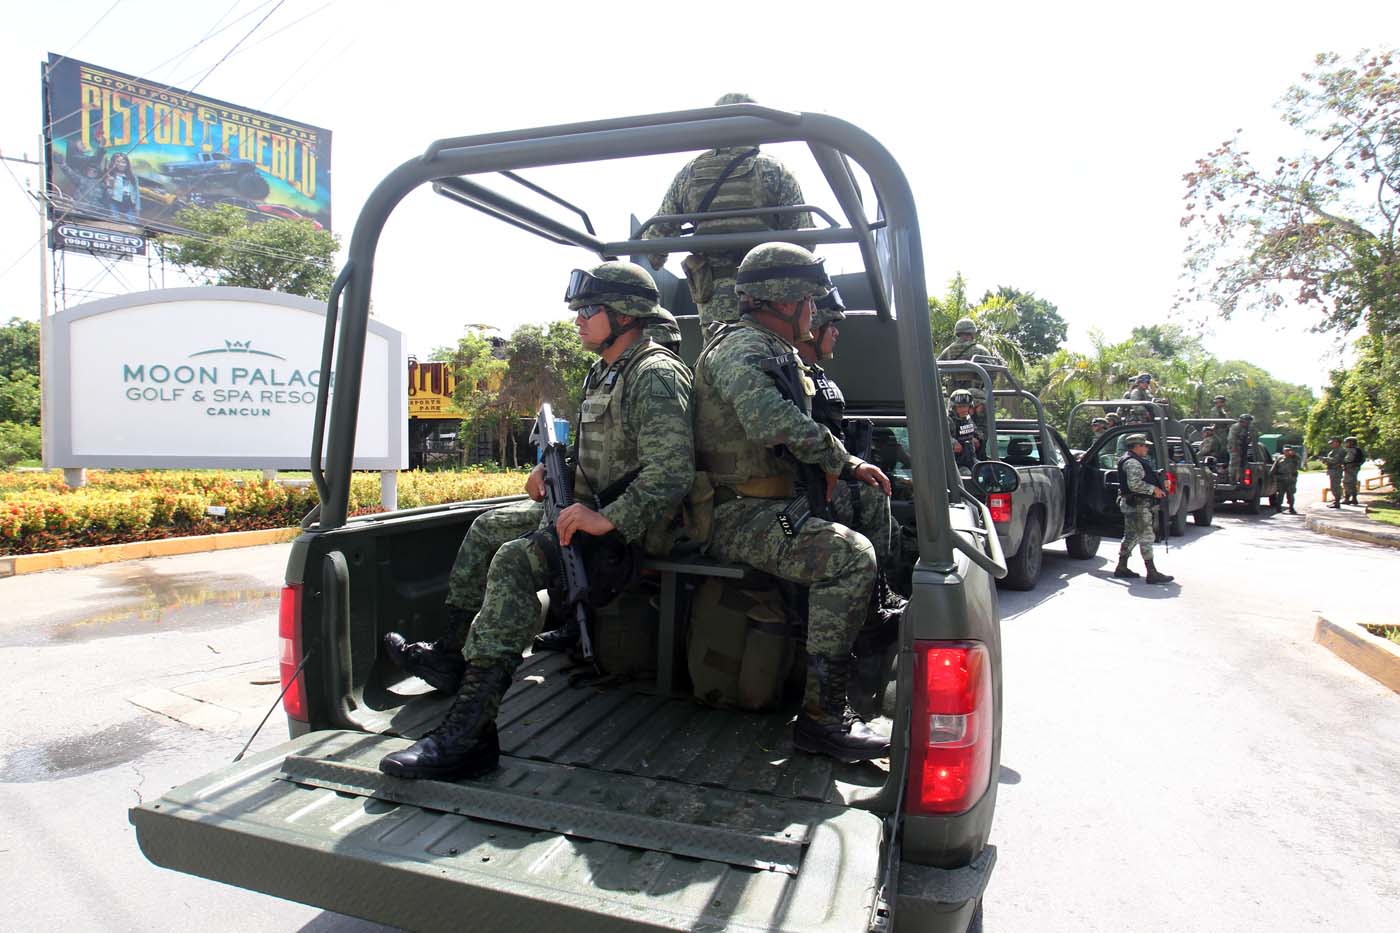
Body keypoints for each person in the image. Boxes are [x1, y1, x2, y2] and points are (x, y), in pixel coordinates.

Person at [377, 262, 695, 781]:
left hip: (631, 531)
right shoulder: (608, 369)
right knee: (487, 529)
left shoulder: (654, 372)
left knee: (515, 560)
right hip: (587, 513)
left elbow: (672, 473)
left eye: (589, 310)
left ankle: (470, 735)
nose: (578, 320)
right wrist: (551, 472)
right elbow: (600, 454)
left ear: (625, 315)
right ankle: (454, 657)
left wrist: (606, 520)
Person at [692, 241, 891, 762]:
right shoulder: (742, 347)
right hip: (734, 515)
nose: (813, 309)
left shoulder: (770, 348)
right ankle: (823, 719)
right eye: (808, 299)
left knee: (863, 508)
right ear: (784, 301)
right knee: (850, 558)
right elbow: (769, 421)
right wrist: (837, 458)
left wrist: (845, 469)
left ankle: (863, 631)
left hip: (773, 507)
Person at [641, 93, 813, 334]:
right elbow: (805, 242)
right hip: (769, 299)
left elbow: (655, 244)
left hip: (713, 302)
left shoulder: (688, 175)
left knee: (716, 361)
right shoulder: (773, 169)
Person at [795, 287, 906, 642]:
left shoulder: (816, 376)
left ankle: (880, 587)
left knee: (881, 488)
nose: (837, 333)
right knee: (874, 496)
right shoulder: (793, 374)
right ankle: (874, 604)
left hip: (822, 474)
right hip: (799, 485)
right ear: (814, 327)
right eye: (832, 325)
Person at [1113, 433, 1174, 584]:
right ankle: (1152, 573)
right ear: (1137, 446)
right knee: (1146, 537)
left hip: (1133, 504)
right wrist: (1154, 490)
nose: (1147, 448)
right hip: (1138, 506)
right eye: (1145, 445)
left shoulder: (1131, 459)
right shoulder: (1132, 462)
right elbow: (1134, 484)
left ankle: (1121, 567)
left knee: (1131, 536)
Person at [948, 389, 981, 469]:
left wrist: (974, 439)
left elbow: (976, 433)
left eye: (966, 406)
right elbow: (940, 437)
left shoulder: (968, 419)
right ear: (953, 408)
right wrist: (953, 443)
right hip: (955, 464)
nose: (964, 409)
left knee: (988, 470)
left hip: (971, 459)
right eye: (960, 407)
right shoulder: (948, 420)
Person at [104, 152, 141, 222]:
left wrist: (137, 208)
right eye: (118, 162)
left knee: (134, 223)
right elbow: (108, 194)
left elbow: (137, 193)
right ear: (113, 163)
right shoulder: (110, 175)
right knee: (115, 221)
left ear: (127, 164)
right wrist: (109, 185)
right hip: (115, 202)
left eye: (123, 162)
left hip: (129, 204)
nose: (121, 164)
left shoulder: (133, 177)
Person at [1227, 413, 1255, 485]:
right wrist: (1234, 449)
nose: (1249, 423)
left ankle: (1241, 480)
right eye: (1248, 421)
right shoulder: (1236, 427)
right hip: (1235, 449)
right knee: (1234, 464)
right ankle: (1232, 480)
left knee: (1243, 465)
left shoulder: (1246, 428)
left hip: (1243, 448)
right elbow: (1232, 439)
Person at [1273, 447, 1300, 514]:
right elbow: (1274, 467)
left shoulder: (1294, 458)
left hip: (1290, 479)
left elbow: (1299, 462)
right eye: (1285, 451)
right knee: (1280, 494)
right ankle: (1278, 507)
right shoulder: (1280, 458)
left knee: (1290, 494)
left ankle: (1291, 508)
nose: (1287, 452)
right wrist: (1272, 474)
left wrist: (1294, 455)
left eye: (1288, 451)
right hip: (1281, 479)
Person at [1342, 436, 1365, 505]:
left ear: (1351, 442)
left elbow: (1348, 459)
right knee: (1353, 483)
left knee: (1347, 483)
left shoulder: (1351, 450)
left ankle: (1347, 498)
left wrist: (1340, 461)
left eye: (1347, 442)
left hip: (1350, 467)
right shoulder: (1358, 450)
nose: (1345, 444)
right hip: (1355, 467)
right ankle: (1354, 498)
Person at [1324, 437, 1346, 508]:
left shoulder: (1340, 450)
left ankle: (1337, 501)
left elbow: (1336, 460)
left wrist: (1326, 459)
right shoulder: (1334, 450)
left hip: (1336, 470)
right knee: (1333, 486)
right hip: (1332, 470)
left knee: (1335, 486)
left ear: (1337, 443)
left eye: (1332, 443)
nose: (1331, 444)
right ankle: (1336, 501)